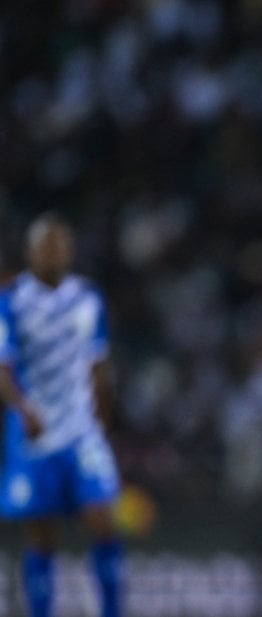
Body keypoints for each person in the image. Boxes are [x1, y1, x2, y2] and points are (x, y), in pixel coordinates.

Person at [0, 213, 123, 617]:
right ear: (31, 252)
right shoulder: (12, 299)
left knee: (103, 521)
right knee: (41, 535)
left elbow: (99, 364)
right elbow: (2, 366)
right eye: (48, 246)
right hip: (35, 432)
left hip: (82, 430)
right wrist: (21, 408)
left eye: (62, 245)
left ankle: (111, 611)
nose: (56, 253)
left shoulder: (87, 298)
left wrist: (103, 423)